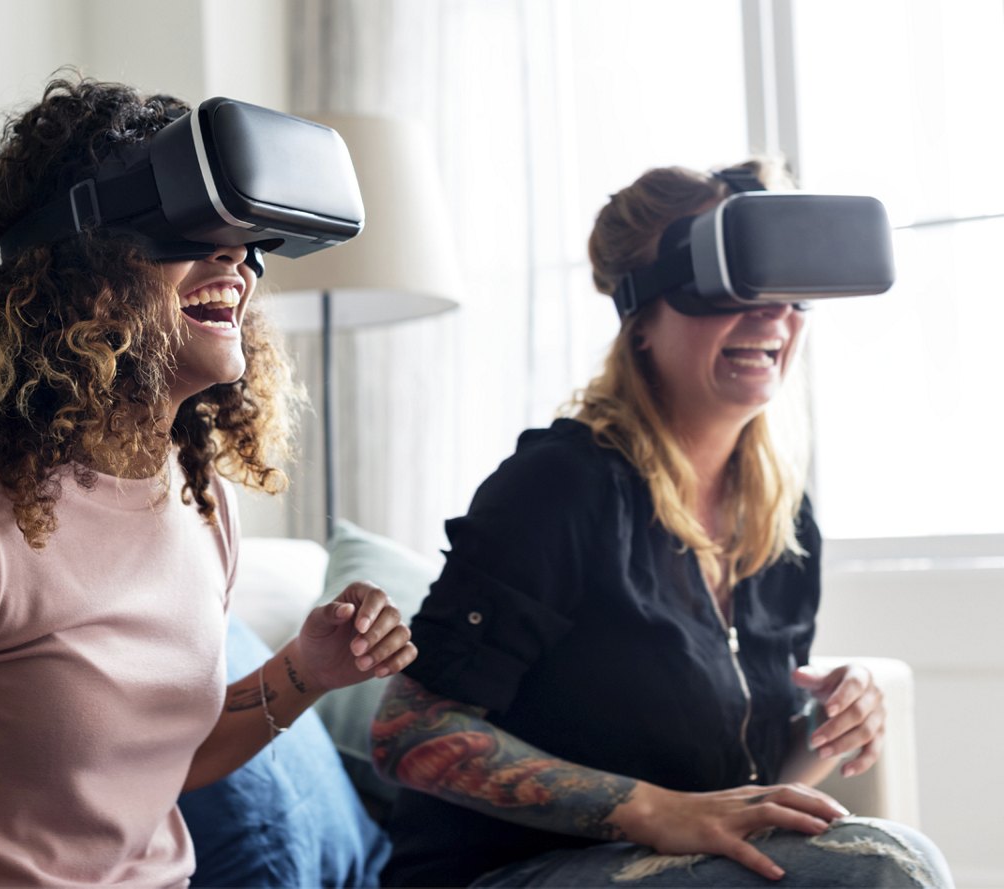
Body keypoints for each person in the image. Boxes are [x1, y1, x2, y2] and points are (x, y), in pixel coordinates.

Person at [0, 74, 416, 888]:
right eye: (195, 226)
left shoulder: (202, 505)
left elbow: (156, 766)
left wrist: (306, 669)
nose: (236, 257)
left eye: (244, 237)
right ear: (75, 274)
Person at [371, 160, 953, 887]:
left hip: (673, 864)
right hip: (506, 871)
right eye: (731, 289)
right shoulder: (560, 486)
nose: (772, 314)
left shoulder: (780, 515)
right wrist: (654, 810)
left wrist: (831, 719)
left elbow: (753, 779)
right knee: (878, 867)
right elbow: (408, 731)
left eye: (790, 293)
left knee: (881, 854)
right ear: (642, 318)